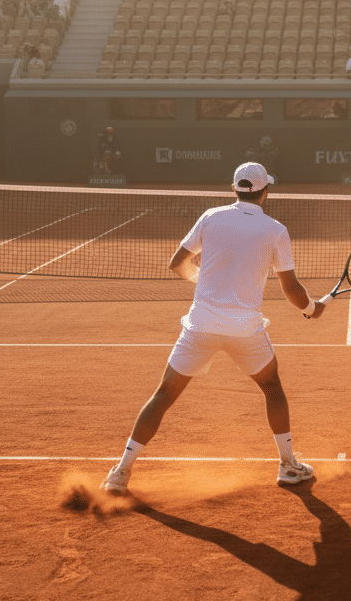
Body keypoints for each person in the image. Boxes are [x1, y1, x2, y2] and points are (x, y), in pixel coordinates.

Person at [101, 162, 324, 494]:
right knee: (272, 388)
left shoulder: (210, 217)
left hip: (200, 326)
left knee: (163, 396)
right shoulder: (275, 229)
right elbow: (292, 290)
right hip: (245, 331)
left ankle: (120, 473)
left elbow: (177, 263)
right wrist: (311, 309)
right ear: (265, 192)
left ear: (233, 189)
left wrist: (200, 281)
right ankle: (289, 465)